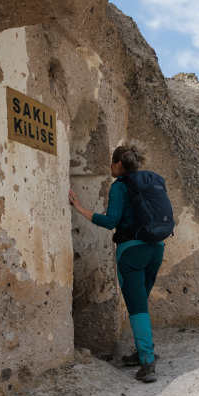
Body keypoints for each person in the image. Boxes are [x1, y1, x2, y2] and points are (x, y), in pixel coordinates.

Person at [68, 141, 164, 383]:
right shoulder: (149, 183)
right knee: (140, 302)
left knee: (137, 308)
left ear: (119, 164)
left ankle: (147, 364)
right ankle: (144, 349)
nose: (109, 166)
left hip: (131, 252)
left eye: (111, 162)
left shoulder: (119, 186)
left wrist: (79, 207)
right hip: (156, 248)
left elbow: (111, 221)